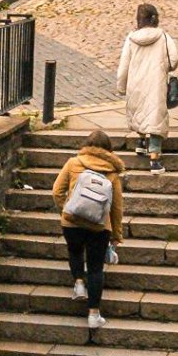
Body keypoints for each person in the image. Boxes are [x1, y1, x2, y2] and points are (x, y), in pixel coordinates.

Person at [52, 126, 124, 334]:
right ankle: (94, 314)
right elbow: (117, 207)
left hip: (71, 222)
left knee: (74, 251)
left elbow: (57, 191)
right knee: (95, 268)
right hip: (99, 227)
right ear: (109, 150)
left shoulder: (74, 163)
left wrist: (66, 211)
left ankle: (78, 283)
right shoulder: (112, 173)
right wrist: (116, 236)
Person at [118, 1, 178, 171]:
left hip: (136, 83)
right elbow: (174, 60)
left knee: (139, 111)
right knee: (155, 116)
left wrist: (121, 86)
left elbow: (123, 66)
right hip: (156, 83)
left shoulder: (131, 39)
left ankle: (140, 141)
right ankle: (155, 157)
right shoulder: (164, 37)